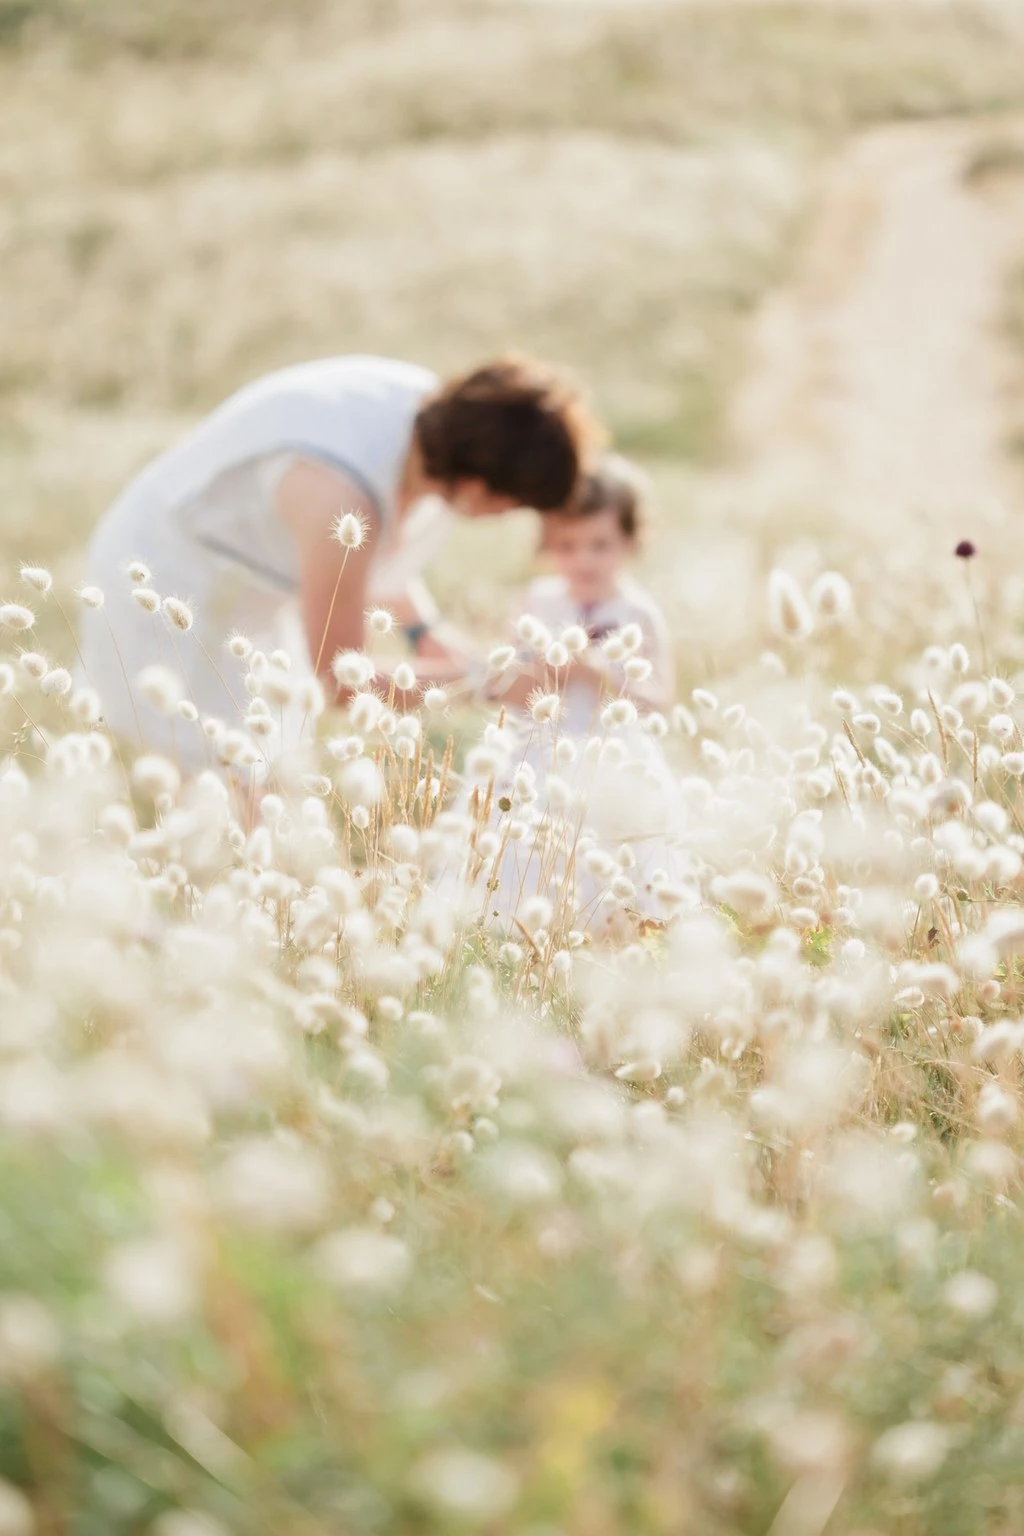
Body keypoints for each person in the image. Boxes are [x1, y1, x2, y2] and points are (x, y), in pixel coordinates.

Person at [78, 354, 601, 769]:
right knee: (227, 764)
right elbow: (338, 681)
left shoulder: (434, 423)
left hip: (251, 575)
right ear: (476, 484)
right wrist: (487, 684)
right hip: (172, 577)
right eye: (511, 504)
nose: (505, 516)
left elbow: (382, 560)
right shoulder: (340, 497)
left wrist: (433, 641)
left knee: (273, 760)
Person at [446, 454, 690, 935]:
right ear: (547, 545)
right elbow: (505, 683)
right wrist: (536, 672)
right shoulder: (537, 601)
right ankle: (518, 924)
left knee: (612, 841)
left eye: (600, 545)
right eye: (567, 545)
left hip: (613, 752)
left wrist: (598, 674)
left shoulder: (638, 612)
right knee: (522, 837)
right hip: (537, 745)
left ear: (628, 542)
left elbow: (659, 699)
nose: (583, 559)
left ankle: (613, 925)